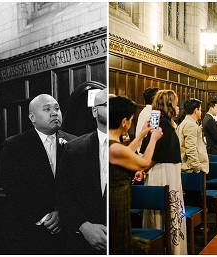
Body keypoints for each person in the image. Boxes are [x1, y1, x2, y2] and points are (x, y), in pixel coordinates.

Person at [0, 94, 78, 254]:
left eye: (57, 108)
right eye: (47, 109)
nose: (55, 113)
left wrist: (62, 213)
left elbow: (79, 186)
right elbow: (13, 188)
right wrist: (45, 218)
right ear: (32, 117)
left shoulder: (75, 143)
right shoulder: (15, 145)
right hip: (30, 230)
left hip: (68, 230)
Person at [108, 95, 162, 254]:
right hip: (116, 200)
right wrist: (153, 139)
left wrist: (141, 135)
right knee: (120, 243)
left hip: (120, 198)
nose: (131, 122)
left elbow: (126, 153)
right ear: (123, 122)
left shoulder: (113, 144)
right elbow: (144, 163)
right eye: (131, 119)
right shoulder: (114, 147)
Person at [60, 89, 108, 254]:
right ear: (95, 111)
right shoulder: (74, 148)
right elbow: (63, 193)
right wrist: (83, 226)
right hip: (84, 241)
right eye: (107, 105)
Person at [140, 90, 187, 255]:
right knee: (166, 211)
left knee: (173, 209)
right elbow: (154, 153)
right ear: (168, 105)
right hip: (163, 173)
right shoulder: (162, 123)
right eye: (175, 103)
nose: (177, 106)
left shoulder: (160, 120)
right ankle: (171, 248)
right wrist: (143, 169)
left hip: (167, 171)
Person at [176, 98, 209, 174]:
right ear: (196, 110)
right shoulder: (190, 125)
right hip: (191, 169)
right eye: (200, 110)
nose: (201, 112)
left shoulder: (186, 122)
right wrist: (197, 167)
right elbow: (191, 148)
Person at [136, 87, 159, 153]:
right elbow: (152, 134)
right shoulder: (151, 113)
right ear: (155, 98)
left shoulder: (149, 111)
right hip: (145, 151)